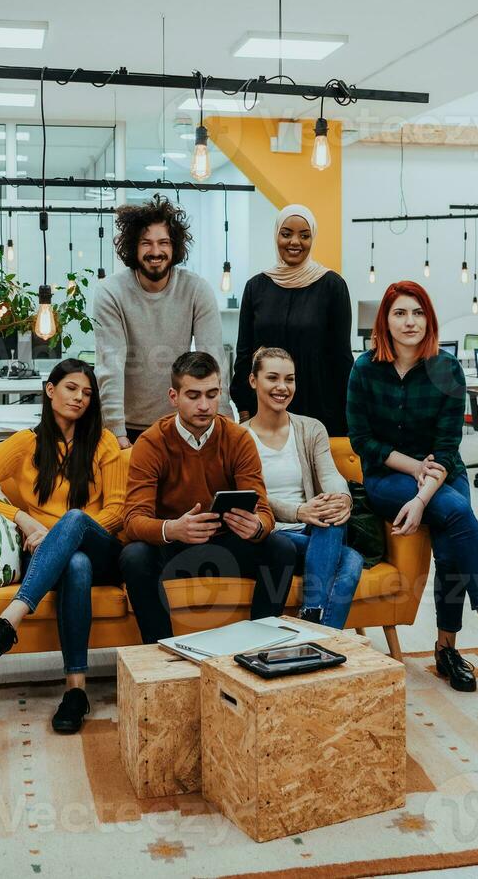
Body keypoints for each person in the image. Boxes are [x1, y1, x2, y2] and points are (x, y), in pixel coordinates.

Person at [346, 282, 478, 693]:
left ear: (428, 318)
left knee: (452, 535)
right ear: (385, 320)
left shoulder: (446, 368)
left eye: (417, 312)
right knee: (460, 513)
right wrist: (413, 471)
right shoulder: (364, 368)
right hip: (386, 475)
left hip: (442, 475)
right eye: (399, 313)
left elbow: (447, 449)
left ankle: (447, 649)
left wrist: (421, 498)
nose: (409, 321)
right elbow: (363, 442)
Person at [0, 359, 125, 734]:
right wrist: (21, 519)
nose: (79, 398)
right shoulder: (25, 443)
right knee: (74, 563)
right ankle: (76, 691)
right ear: (50, 390)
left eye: (87, 393)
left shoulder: (104, 442)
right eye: (71, 388)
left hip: (104, 549)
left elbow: (118, 511)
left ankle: (9, 620)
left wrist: (65, 528)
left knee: (74, 522)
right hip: (51, 557)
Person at [118, 351, 298, 643]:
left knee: (281, 548)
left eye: (212, 394)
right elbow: (133, 520)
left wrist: (257, 527)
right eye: (193, 395)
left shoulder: (238, 439)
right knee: (134, 555)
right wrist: (173, 528)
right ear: (173, 396)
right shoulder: (151, 442)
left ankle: (259, 645)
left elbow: (264, 510)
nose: (204, 405)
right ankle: (161, 650)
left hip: (226, 543)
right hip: (173, 547)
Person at [94, 196, 233, 448]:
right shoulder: (111, 291)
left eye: (163, 243)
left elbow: (213, 359)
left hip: (182, 424)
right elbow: (109, 364)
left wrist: (224, 423)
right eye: (146, 243)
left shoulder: (196, 289)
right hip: (128, 427)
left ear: (175, 247)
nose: (155, 251)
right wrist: (115, 430)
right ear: (133, 248)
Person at [242, 347, 364, 629]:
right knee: (352, 560)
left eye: (290, 379)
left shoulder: (311, 428)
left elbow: (330, 474)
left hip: (313, 531)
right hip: (271, 537)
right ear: (253, 381)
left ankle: (312, 615)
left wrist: (342, 498)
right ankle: (319, 634)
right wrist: (299, 511)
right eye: (272, 378)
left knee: (329, 515)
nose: (282, 387)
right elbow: (251, 498)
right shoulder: (238, 436)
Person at [230, 204, 354, 435]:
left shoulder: (332, 286)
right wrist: (244, 407)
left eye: (304, 235)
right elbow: (245, 355)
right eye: (286, 234)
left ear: (312, 238)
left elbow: (341, 357)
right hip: (266, 410)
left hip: (320, 409)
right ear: (276, 235)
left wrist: (347, 416)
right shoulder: (256, 287)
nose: (295, 242)